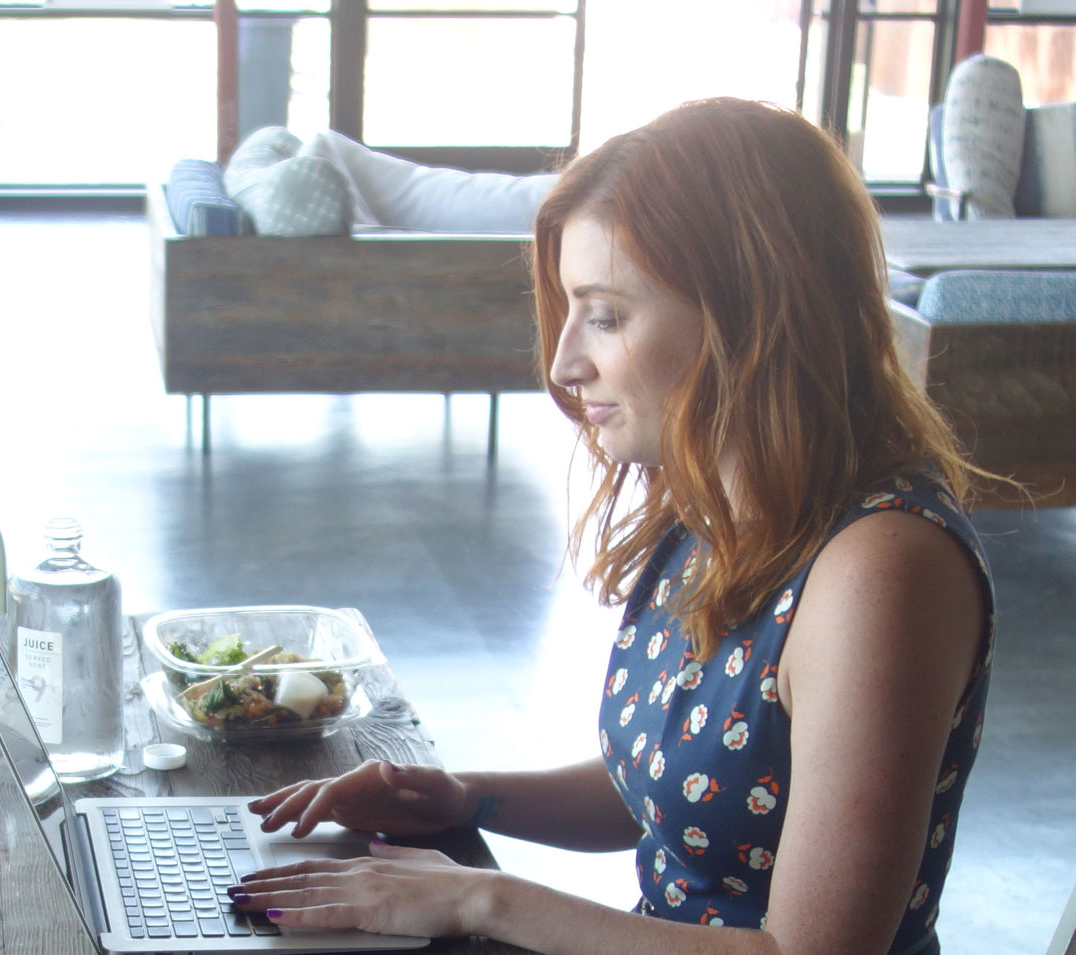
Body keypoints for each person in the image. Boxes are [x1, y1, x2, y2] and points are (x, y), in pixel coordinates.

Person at [228, 98, 995, 955]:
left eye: (606, 313)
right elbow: (677, 789)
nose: (563, 363)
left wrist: (484, 899)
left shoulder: (882, 570)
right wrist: (462, 796)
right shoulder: (713, 502)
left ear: (751, 314)